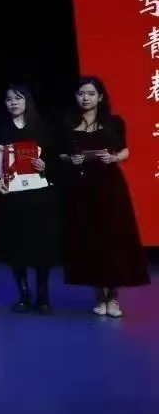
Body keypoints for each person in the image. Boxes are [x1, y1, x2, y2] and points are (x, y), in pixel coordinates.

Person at [59, 77, 149, 317]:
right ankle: (99, 295)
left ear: (100, 97)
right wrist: (71, 159)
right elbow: (61, 155)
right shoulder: (69, 123)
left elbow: (125, 150)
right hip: (82, 187)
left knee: (113, 240)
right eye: (81, 93)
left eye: (90, 93)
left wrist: (114, 158)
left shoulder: (114, 122)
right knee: (91, 240)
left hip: (109, 186)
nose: (85, 98)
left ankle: (114, 298)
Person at [0, 84, 60, 314]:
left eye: (18, 98)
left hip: (39, 196)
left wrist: (46, 165)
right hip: (12, 197)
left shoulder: (42, 127)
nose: (13, 102)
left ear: (27, 101)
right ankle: (23, 294)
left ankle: (43, 296)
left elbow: (56, 158)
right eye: (9, 99)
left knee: (42, 246)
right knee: (16, 245)